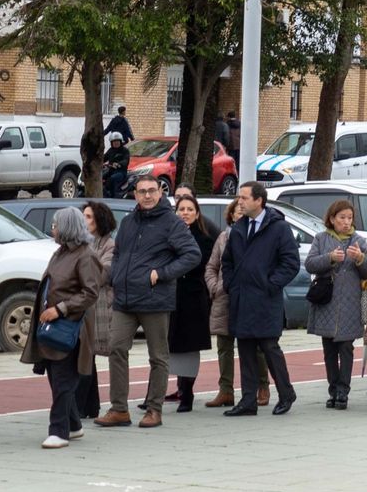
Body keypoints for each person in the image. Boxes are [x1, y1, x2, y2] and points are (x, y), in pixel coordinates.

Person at [96, 176, 198, 429]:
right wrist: (116, 276)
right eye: (142, 191)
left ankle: (154, 409)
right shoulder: (129, 221)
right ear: (135, 194)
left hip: (155, 299)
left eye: (152, 190)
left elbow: (192, 254)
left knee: (158, 357)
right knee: (116, 349)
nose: (147, 195)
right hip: (124, 299)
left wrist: (161, 274)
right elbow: (118, 253)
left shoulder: (172, 223)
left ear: (161, 193)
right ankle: (119, 409)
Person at [21, 207, 102, 448]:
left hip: (71, 328)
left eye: (56, 225)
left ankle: (59, 431)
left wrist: (61, 309)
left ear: (67, 227)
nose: (52, 229)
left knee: (63, 381)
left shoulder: (86, 256)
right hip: (53, 327)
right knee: (57, 378)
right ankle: (74, 425)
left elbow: (91, 292)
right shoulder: (61, 252)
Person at [222, 182, 301, 416]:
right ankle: (248, 400)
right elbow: (228, 261)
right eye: (239, 197)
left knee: (269, 348)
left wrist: (270, 284)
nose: (240, 202)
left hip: (265, 300)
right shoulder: (239, 227)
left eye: (244, 198)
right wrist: (231, 285)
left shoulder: (278, 228)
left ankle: (286, 393)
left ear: (259, 200)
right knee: (245, 349)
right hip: (241, 298)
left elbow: (291, 263)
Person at [304, 199, 367, 410]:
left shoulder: (358, 241)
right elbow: (310, 264)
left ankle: (343, 391)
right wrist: (330, 258)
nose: (346, 222)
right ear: (332, 219)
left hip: (350, 303)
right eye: (342, 217)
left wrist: (360, 258)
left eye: (349, 218)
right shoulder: (321, 238)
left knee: (346, 348)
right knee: (328, 350)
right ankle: (333, 389)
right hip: (327, 302)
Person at [205, 202, 268, 408]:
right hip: (225, 297)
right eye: (237, 212)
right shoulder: (223, 237)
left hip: (249, 297)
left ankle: (262, 385)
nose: (241, 215)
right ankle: (226, 391)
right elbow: (212, 266)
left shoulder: (257, 236)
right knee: (224, 346)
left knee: (255, 345)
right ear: (231, 216)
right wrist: (215, 287)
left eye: (244, 212)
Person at [166, 195, 214, 411]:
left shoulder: (204, 238)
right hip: (170, 297)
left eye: (189, 209)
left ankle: (187, 393)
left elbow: (199, 265)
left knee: (190, 347)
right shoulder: (167, 236)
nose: (185, 213)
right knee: (168, 346)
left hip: (193, 299)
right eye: (181, 209)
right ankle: (159, 393)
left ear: (197, 213)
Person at [80, 201, 118, 417]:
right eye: (83, 216)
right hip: (86, 305)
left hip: (101, 305)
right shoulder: (83, 243)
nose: (84, 221)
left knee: (91, 353)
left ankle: (90, 405)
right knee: (86, 355)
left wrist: (81, 273)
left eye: (88, 216)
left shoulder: (109, 245)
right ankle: (89, 405)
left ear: (99, 220)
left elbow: (103, 275)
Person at [102, 134, 131, 199]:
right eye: (114, 142)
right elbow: (104, 158)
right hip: (111, 171)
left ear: (120, 142)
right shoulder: (110, 150)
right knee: (100, 178)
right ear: (111, 143)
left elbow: (126, 160)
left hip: (121, 172)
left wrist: (119, 164)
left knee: (112, 179)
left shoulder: (124, 150)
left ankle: (114, 196)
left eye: (117, 141)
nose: (116, 143)